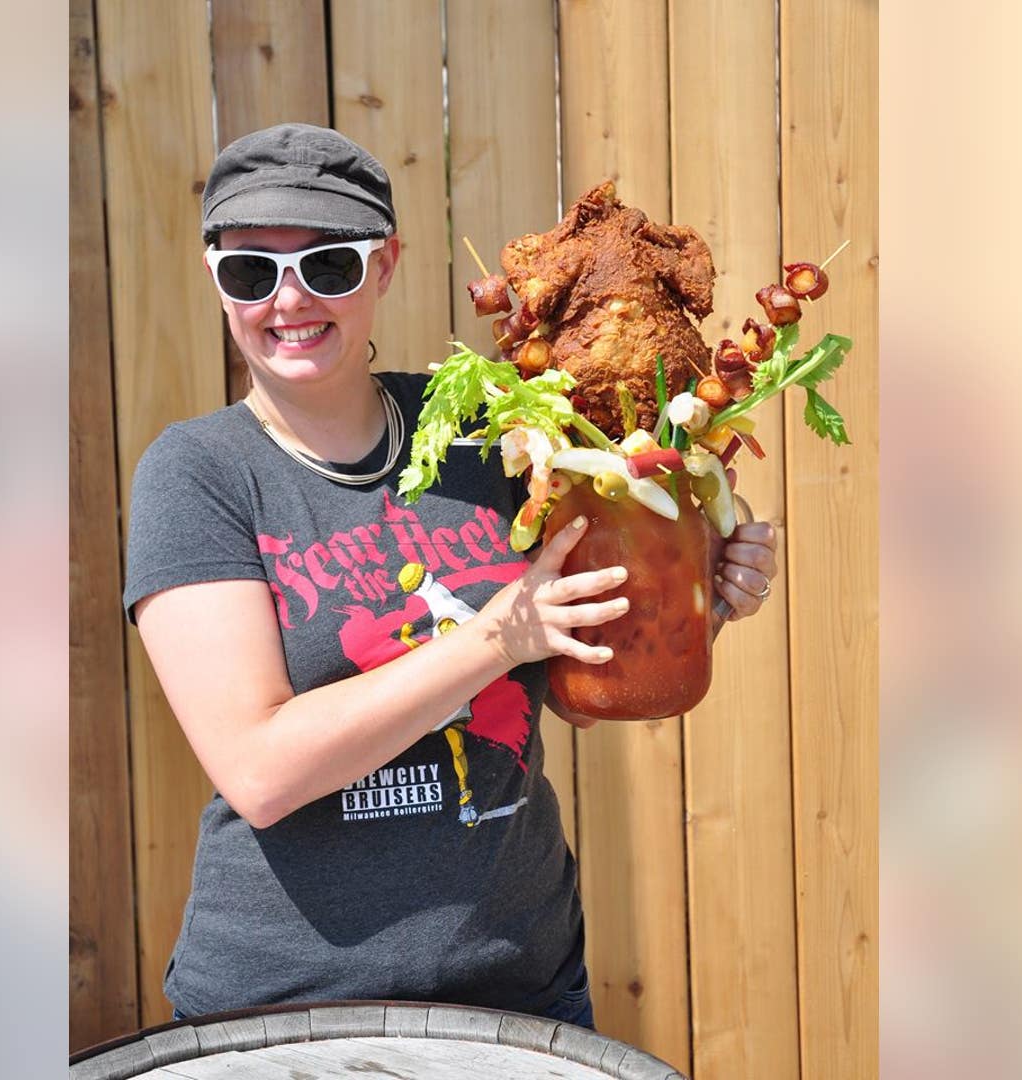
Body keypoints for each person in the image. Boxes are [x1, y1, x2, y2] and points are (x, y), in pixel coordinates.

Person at [122, 123, 780, 1029]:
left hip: (521, 988)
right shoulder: (197, 472)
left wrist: (699, 599)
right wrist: (495, 637)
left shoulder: (489, 424)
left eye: (329, 266)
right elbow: (260, 769)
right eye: (251, 271)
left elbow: (580, 680)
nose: (288, 299)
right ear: (216, 282)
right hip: (287, 1012)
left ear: (385, 266)